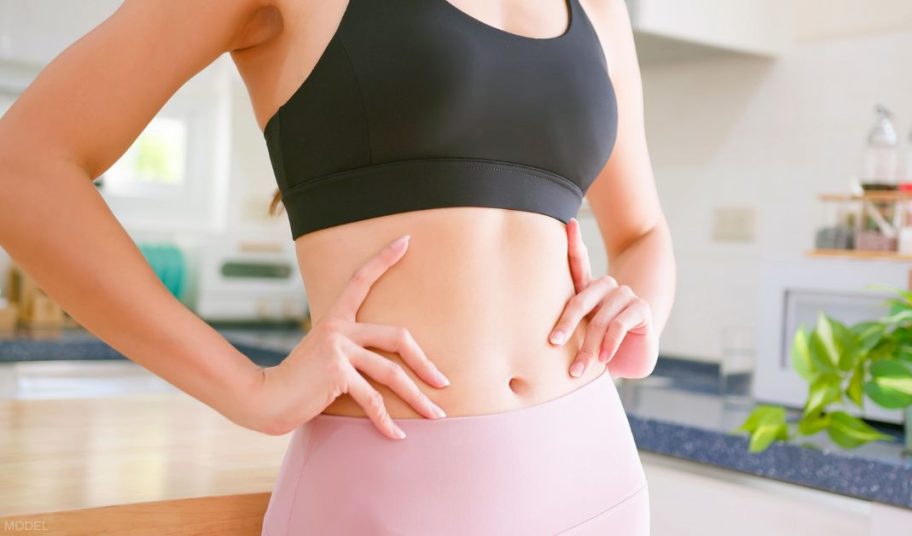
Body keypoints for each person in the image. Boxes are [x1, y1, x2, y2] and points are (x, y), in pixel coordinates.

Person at [0, 0, 676, 533]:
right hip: (388, 487)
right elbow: (23, 169)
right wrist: (253, 392)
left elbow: (643, 232)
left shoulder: (599, 9)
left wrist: (639, 308)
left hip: (593, 473)